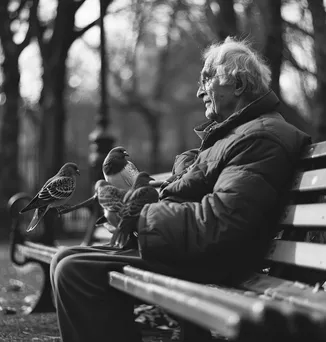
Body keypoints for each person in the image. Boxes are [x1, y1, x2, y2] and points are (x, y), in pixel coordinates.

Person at [50, 37, 310, 342]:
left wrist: (140, 216)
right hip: (197, 249)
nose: (200, 91)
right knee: (65, 260)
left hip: (216, 258)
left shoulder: (261, 137)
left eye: (207, 79)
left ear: (238, 86)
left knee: (75, 271)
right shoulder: (241, 133)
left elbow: (221, 222)